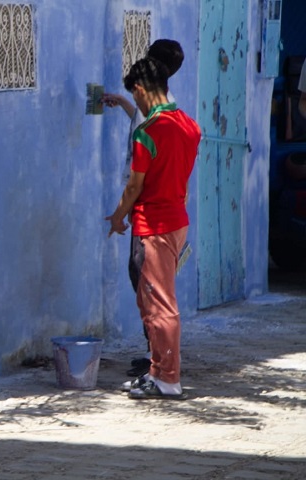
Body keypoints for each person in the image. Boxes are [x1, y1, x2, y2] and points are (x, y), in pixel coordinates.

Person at [105, 56, 201, 399]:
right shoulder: (190, 126)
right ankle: (157, 371)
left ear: (141, 90)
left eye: (137, 96)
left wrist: (117, 217)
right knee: (155, 303)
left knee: (160, 305)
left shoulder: (148, 133)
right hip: (176, 222)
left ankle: (167, 378)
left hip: (154, 227)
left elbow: (134, 186)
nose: (138, 103)